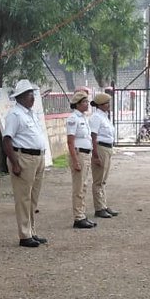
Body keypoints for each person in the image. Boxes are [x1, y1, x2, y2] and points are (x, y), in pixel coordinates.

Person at [1, 79, 49, 247]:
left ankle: (31, 230)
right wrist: (14, 163)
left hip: (37, 158)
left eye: (33, 94)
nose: (32, 98)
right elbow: (7, 140)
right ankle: (24, 234)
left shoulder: (30, 114)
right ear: (20, 97)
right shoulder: (15, 114)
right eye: (29, 95)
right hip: (24, 157)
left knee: (33, 197)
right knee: (23, 198)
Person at [66, 90, 96, 229]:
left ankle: (82, 214)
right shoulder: (73, 118)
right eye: (84, 102)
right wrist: (75, 160)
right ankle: (78, 217)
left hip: (86, 154)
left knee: (83, 186)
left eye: (87, 101)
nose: (87, 104)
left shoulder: (83, 117)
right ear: (77, 104)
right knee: (78, 187)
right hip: (79, 154)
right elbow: (70, 141)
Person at [89, 91, 119, 220]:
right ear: (100, 104)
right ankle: (99, 208)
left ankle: (103, 205)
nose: (109, 105)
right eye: (107, 103)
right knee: (98, 180)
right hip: (100, 148)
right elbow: (93, 136)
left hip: (107, 148)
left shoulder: (104, 116)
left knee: (103, 180)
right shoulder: (96, 117)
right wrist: (95, 155)